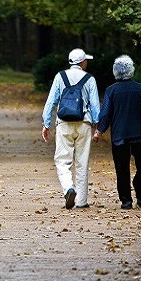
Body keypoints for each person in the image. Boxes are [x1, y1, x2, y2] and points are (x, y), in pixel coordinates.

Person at [93, 55, 141, 209]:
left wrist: (99, 131)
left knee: (121, 168)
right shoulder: (140, 89)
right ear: (131, 70)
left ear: (115, 72)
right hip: (139, 135)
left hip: (119, 136)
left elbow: (105, 113)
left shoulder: (111, 90)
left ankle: (126, 201)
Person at [42, 48, 100, 209]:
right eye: (85, 60)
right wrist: (98, 126)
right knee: (82, 162)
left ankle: (68, 188)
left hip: (64, 123)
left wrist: (46, 124)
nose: (86, 62)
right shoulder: (89, 79)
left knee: (62, 160)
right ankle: (81, 201)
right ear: (81, 62)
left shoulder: (60, 77)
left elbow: (51, 102)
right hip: (84, 124)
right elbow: (95, 105)